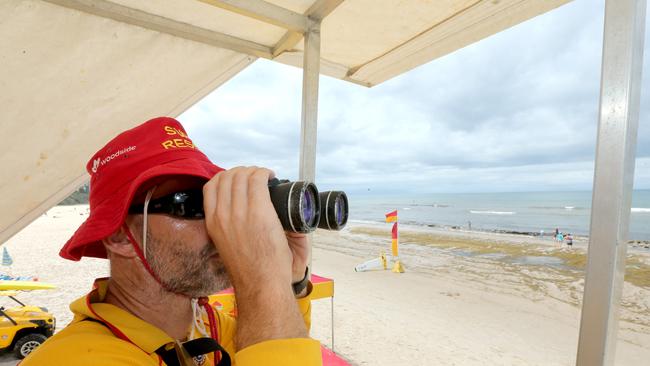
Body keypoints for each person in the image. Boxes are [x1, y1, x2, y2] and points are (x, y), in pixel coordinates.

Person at [22, 117, 322, 365]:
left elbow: (281, 342)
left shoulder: (205, 323)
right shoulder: (74, 358)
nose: (218, 223)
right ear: (118, 235)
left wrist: (289, 282)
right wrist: (262, 282)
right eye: (192, 204)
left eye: (216, 202)